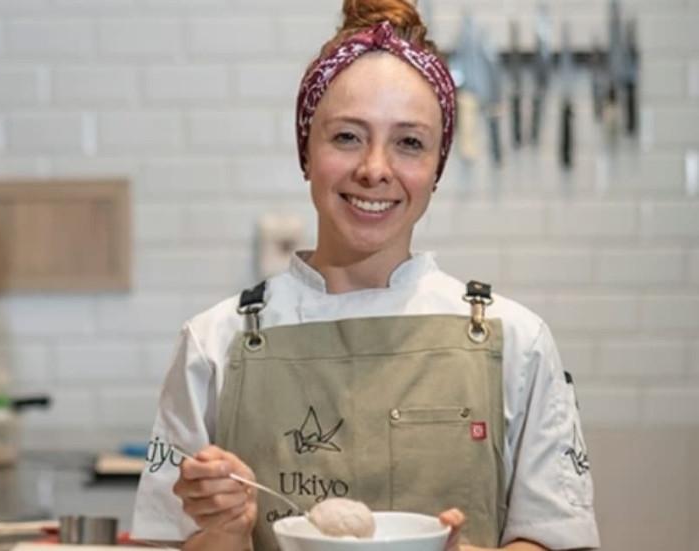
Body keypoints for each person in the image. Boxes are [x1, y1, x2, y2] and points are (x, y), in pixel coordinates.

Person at [129, 1, 600, 550]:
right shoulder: (213, 345)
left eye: (409, 143)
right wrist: (223, 530)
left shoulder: (518, 342)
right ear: (306, 150)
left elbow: (555, 538)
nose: (375, 169)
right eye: (347, 137)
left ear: (436, 168)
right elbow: (160, 542)